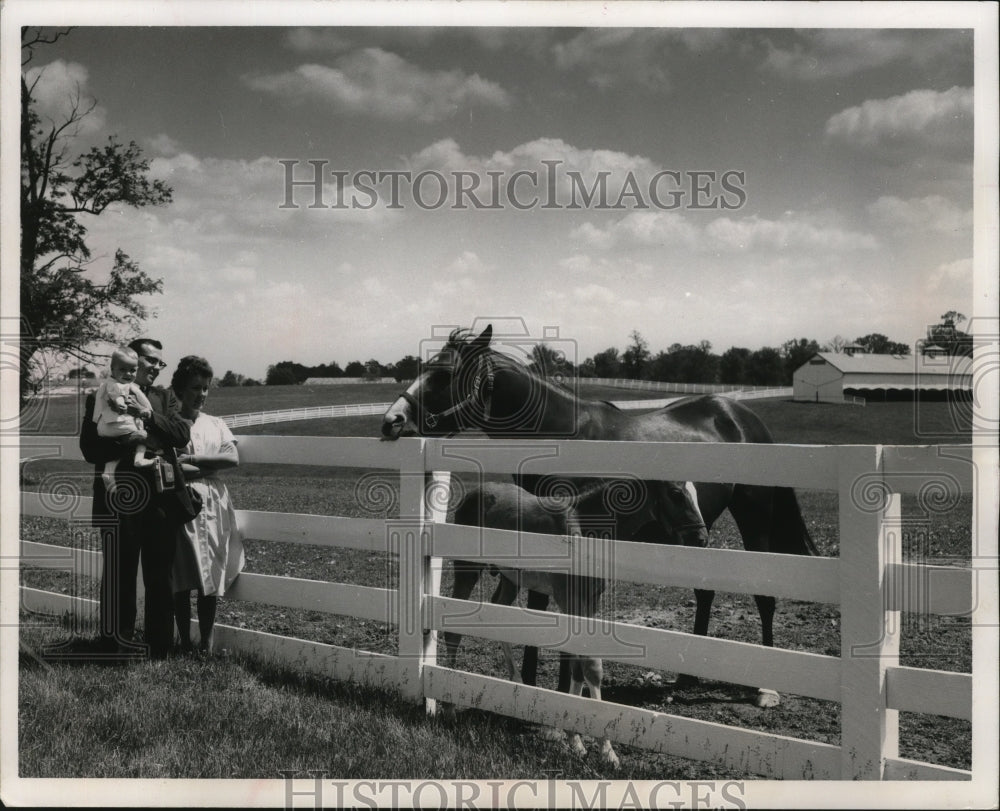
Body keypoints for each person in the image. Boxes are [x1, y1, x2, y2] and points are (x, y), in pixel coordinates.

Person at [79, 338, 191, 659]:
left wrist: (148, 418)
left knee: (160, 575)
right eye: (151, 361)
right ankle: (116, 646)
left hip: (160, 498)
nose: (156, 367)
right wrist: (132, 440)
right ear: (130, 361)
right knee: (119, 573)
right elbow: (90, 448)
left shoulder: (165, 398)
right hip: (118, 494)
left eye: (160, 362)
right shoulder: (100, 395)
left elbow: (182, 434)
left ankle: (159, 649)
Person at [170, 356, 244, 654]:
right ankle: (184, 641)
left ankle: (207, 646)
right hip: (180, 500)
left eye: (205, 388)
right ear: (179, 390)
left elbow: (231, 459)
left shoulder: (216, 424)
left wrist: (193, 460)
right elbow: (169, 467)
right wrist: (204, 468)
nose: (201, 394)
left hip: (213, 502)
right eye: (194, 388)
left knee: (210, 575)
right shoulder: (172, 424)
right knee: (182, 572)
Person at [93, 346, 155, 493]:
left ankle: (109, 473)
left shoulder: (107, 384)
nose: (128, 374)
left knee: (114, 452)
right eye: (123, 370)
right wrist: (125, 406)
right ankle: (139, 459)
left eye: (132, 370)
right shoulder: (117, 385)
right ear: (112, 369)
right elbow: (119, 396)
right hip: (117, 423)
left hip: (106, 426)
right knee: (142, 435)